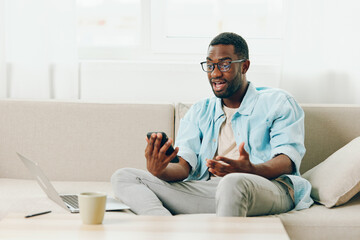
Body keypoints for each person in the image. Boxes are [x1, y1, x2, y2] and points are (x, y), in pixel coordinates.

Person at [111, 32, 313, 216]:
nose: (215, 73)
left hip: (269, 188)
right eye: (210, 65)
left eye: (224, 65)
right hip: (212, 191)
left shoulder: (277, 102)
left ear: (244, 66)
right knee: (124, 177)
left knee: (233, 182)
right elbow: (183, 168)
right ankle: (164, 225)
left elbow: (287, 160)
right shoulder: (199, 111)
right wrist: (159, 170)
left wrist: (251, 169)